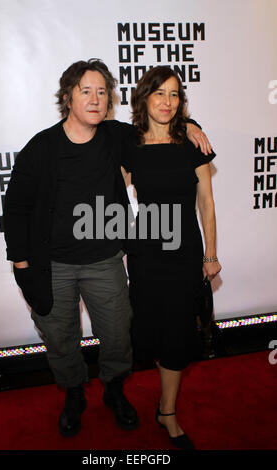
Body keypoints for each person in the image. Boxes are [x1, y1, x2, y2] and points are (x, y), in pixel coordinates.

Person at [3, 59, 212, 439]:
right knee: (61, 339)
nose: (96, 99)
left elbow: (160, 128)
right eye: (86, 90)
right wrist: (21, 263)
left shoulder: (117, 137)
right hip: (54, 265)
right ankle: (73, 397)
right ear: (67, 96)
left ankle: (114, 392)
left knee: (118, 336)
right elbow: (15, 206)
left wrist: (192, 125)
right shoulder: (41, 148)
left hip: (105, 261)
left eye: (102, 92)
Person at [121, 66, 222, 449]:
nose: (167, 102)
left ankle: (168, 412)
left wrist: (211, 255)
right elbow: (113, 193)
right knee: (152, 332)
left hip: (185, 254)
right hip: (146, 254)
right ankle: (134, 401)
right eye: (159, 93)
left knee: (179, 333)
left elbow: (206, 204)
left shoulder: (192, 142)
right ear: (144, 97)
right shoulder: (128, 144)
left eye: (175, 94)